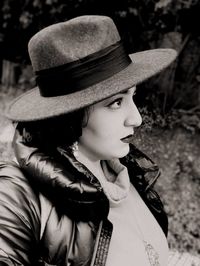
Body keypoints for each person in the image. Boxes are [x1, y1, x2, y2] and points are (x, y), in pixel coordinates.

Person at [0, 15, 177, 266]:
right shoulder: (15, 196)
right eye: (116, 102)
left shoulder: (133, 177)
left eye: (132, 97)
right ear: (68, 117)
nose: (136, 119)